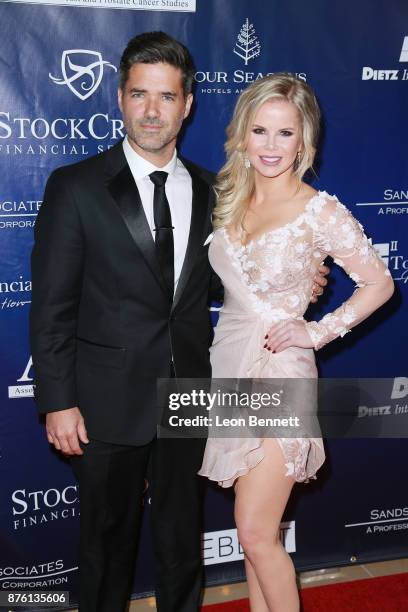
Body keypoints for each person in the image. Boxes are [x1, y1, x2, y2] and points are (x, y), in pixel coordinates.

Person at [30, 32, 329, 612]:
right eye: (139, 94)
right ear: (119, 97)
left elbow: (233, 280)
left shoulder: (215, 189)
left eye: (166, 97)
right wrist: (57, 400)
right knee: (105, 550)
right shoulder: (76, 187)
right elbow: (52, 307)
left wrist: (305, 282)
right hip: (104, 402)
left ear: (187, 104)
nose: (151, 110)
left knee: (180, 548)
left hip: (192, 394)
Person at [198, 73, 394, 611]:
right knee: (251, 534)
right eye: (259, 130)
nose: (270, 145)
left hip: (281, 370)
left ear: (304, 141)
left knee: (257, 531)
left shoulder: (319, 211)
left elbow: (380, 282)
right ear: (242, 134)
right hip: (231, 364)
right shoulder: (230, 201)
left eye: (285, 133)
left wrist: (316, 329)